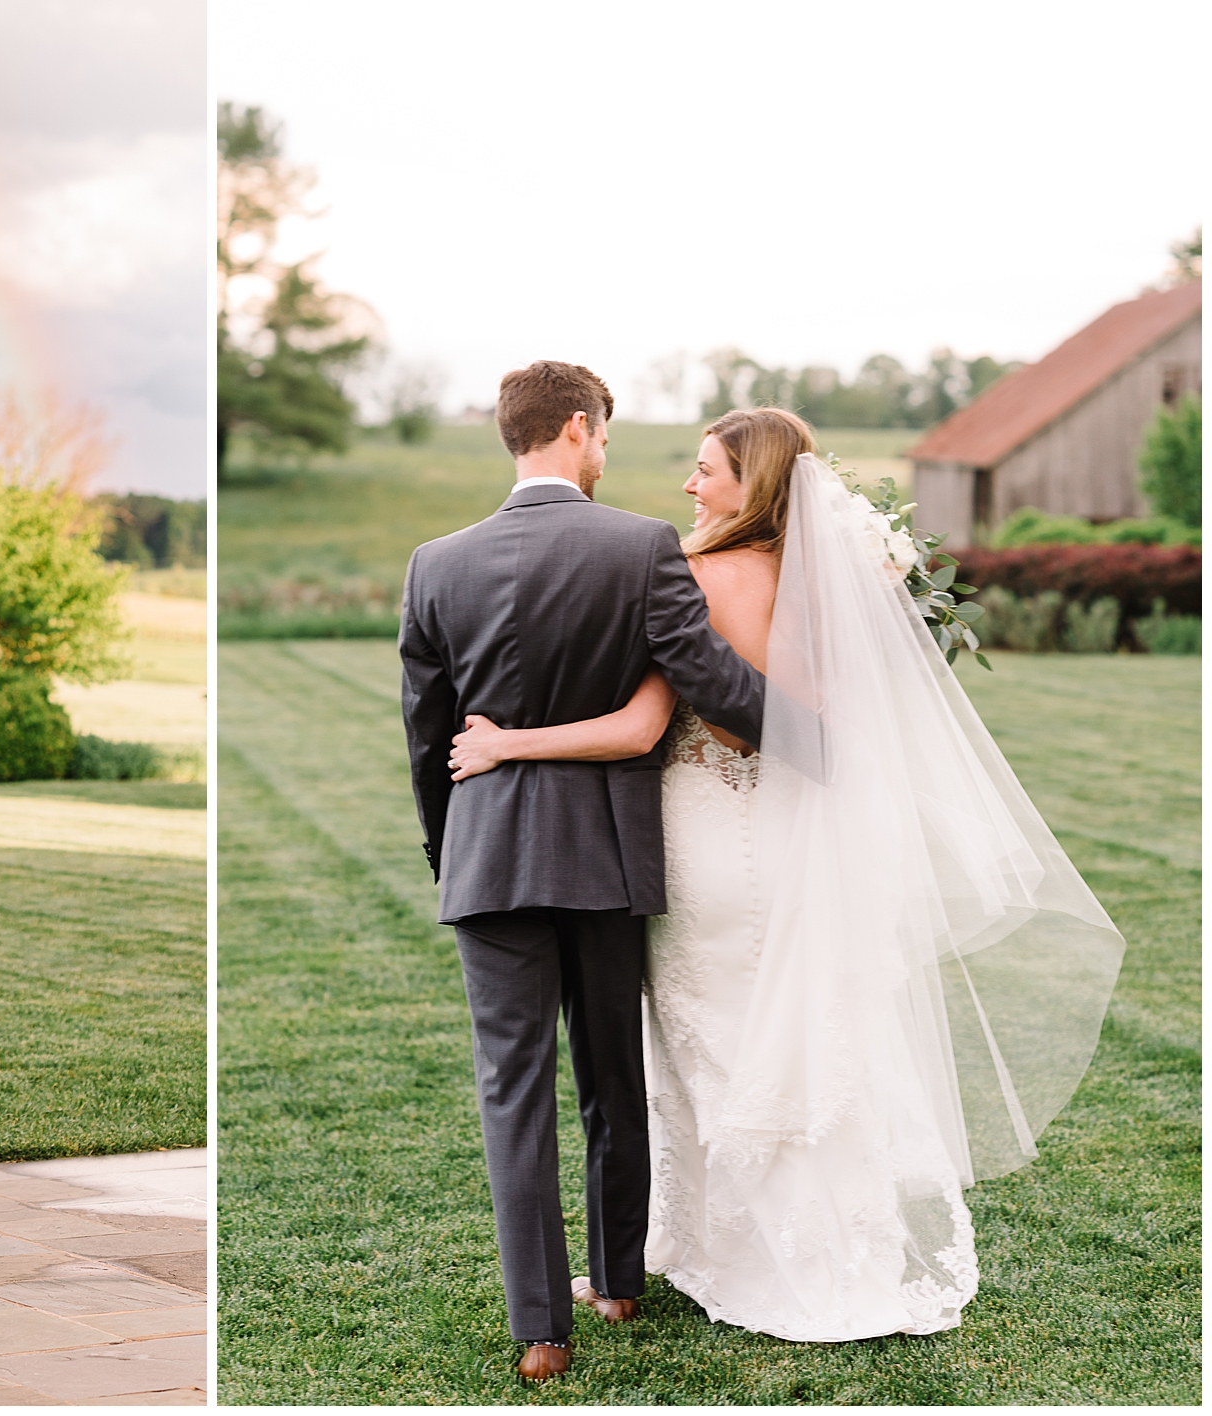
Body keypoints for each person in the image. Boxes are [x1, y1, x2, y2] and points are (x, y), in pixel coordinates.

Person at [448, 406, 1124, 1345]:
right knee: (801, 1039)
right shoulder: (815, 585)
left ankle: (734, 1254)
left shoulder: (690, 575)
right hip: (783, 836)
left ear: (751, 485)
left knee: (710, 1046)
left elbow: (672, 727)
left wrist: (505, 742)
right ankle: (833, 1249)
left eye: (705, 471)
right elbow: (809, 721)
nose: (689, 485)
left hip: (704, 841)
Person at [398, 361, 771, 1381]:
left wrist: (452, 847)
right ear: (574, 429)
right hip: (606, 855)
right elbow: (706, 677)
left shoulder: (435, 563)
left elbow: (427, 735)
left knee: (509, 1089)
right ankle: (613, 1279)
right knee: (612, 1074)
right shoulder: (640, 544)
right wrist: (826, 727)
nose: (604, 452)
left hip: (486, 856)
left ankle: (538, 1330)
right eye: (601, 433)